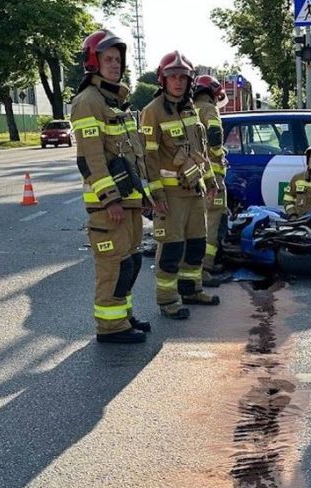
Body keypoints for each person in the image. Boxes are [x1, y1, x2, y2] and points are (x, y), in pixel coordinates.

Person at [70, 29, 150, 343]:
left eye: (118, 59)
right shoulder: (88, 102)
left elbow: (133, 156)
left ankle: (123, 317)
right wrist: (110, 199)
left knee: (130, 262)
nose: (115, 65)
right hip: (110, 206)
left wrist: (142, 196)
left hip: (128, 201)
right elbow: (90, 159)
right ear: (94, 61)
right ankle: (110, 326)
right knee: (113, 266)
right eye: (108, 59)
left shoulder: (115, 102)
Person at [140, 50, 221, 319]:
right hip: (171, 196)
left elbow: (201, 150)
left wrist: (210, 180)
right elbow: (148, 157)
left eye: (183, 77)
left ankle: (191, 289)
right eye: (172, 77)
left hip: (194, 191)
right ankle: (167, 300)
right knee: (171, 250)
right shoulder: (152, 112)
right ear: (163, 80)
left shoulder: (190, 110)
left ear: (190, 81)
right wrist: (156, 193)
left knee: (197, 245)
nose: (178, 82)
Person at [192, 75, 232, 286]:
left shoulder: (188, 108)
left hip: (193, 175)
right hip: (211, 177)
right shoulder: (209, 109)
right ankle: (206, 267)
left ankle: (193, 268)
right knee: (212, 222)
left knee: (196, 224)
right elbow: (215, 135)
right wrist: (219, 153)